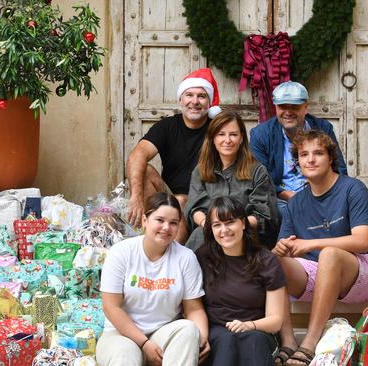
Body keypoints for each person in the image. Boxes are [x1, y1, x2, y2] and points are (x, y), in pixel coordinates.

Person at [271, 130, 368, 366]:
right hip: (318, 271)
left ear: (330, 158)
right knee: (273, 261)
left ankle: (309, 344)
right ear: (298, 162)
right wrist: (281, 249)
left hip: (364, 272)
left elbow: (362, 241)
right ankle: (288, 341)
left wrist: (312, 243)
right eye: (304, 155)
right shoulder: (296, 203)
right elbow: (287, 249)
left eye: (318, 153)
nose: (311, 159)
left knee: (330, 254)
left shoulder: (352, 189)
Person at [97, 192, 210, 366]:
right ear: (144, 220)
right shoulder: (121, 253)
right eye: (160, 220)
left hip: (163, 334)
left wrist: (201, 338)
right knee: (124, 356)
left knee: (188, 329)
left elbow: (194, 309)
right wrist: (144, 343)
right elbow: (111, 307)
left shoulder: (185, 258)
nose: (166, 227)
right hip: (121, 334)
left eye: (173, 223)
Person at [126, 68, 222, 243]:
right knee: (145, 170)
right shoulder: (167, 126)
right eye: (189, 95)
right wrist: (136, 196)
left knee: (182, 201)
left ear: (209, 102)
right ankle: (149, 232)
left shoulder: (218, 129)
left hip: (206, 200)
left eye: (201, 96)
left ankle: (167, 256)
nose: (195, 101)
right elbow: (137, 155)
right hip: (169, 197)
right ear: (180, 100)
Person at [196, 196, 286, 366]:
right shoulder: (203, 257)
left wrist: (250, 325)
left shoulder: (267, 261)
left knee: (252, 340)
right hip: (217, 330)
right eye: (217, 225)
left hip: (259, 331)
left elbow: (275, 321)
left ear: (243, 223)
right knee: (226, 341)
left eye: (230, 222)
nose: (224, 230)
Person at [184, 110, 279, 249]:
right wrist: (211, 226)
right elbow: (195, 209)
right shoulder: (201, 170)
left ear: (241, 138)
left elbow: (264, 215)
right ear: (212, 139)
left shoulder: (257, 171)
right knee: (199, 235)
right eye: (221, 134)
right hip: (210, 231)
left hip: (246, 233)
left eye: (233, 134)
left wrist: (234, 225)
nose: (227, 140)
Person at [249, 81, 347, 216]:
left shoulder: (323, 128)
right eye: (283, 106)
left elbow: (339, 168)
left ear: (305, 107)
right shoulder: (260, 134)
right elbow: (259, 178)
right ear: (276, 107)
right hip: (280, 199)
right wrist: (286, 195)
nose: (288, 112)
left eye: (294, 106)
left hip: (320, 192)